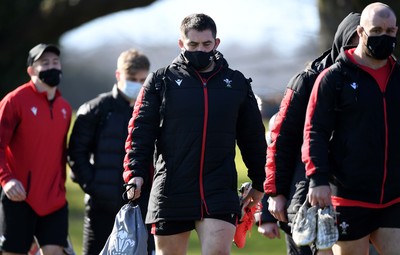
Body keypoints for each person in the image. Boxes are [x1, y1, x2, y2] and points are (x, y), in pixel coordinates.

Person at [123, 13, 267, 255]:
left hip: (219, 187)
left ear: (216, 43)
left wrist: (260, 181)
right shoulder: (161, 81)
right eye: (193, 45)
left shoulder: (236, 83)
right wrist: (135, 173)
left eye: (206, 45)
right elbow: (140, 132)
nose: (200, 50)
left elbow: (252, 137)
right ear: (181, 44)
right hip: (171, 188)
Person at [302, 2, 400, 254]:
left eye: (390, 31)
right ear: (360, 32)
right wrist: (317, 180)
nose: (384, 36)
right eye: (376, 30)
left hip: (393, 196)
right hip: (348, 196)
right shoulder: (334, 78)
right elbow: (315, 132)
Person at [264, 12, 361, 255]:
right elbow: (280, 140)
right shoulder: (307, 81)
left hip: (360, 194)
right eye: (352, 44)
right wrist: (274, 196)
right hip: (306, 190)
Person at [67, 49, 155, 255]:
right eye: (132, 79)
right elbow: (76, 154)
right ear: (118, 76)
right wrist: (96, 187)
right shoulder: (95, 109)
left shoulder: (154, 111)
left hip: (143, 207)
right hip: (101, 208)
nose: (137, 84)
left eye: (143, 79)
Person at [0, 44, 72, 255]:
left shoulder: (64, 108)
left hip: (54, 200)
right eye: (45, 63)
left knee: (54, 251)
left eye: (55, 62)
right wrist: (7, 179)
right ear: (31, 70)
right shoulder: (14, 101)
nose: (52, 67)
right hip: (19, 197)